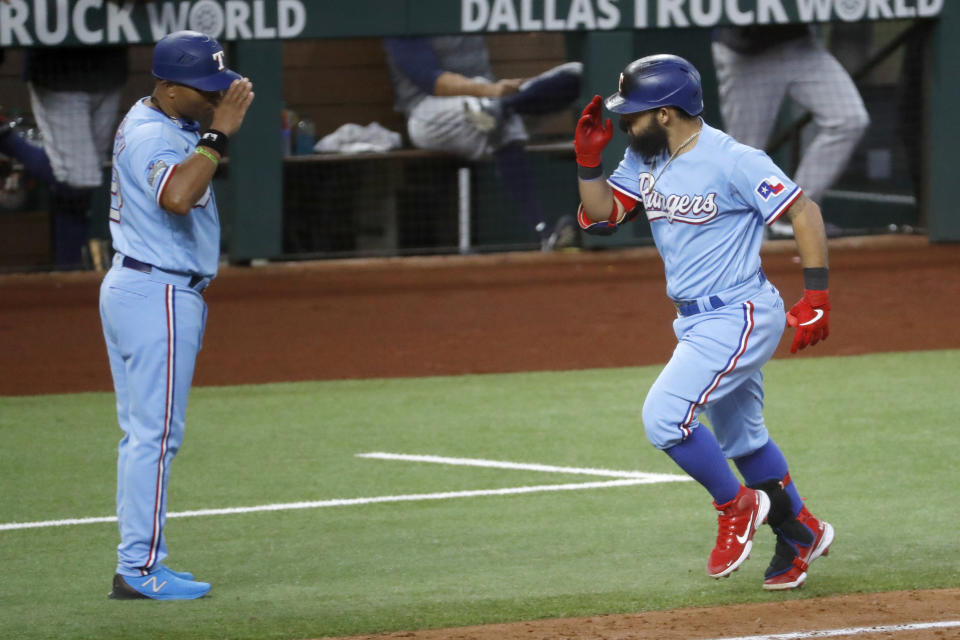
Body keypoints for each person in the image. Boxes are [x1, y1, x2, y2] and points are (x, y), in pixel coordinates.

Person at [574, 54, 833, 590]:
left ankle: (737, 508)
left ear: (666, 113)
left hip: (739, 313)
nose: (626, 123)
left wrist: (818, 295)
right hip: (694, 322)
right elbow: (601, 215)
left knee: (664, 418)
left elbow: (802, 210)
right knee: (743, 440)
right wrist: (587, 162)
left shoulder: (733, 159)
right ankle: (800, 531)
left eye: (635, 114)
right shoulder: (644, 159)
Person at [100, 30, 254, 600]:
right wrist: (218, 135)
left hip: (147, 288)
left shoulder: (166, 119)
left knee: (145, 436)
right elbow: (177, 196)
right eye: (202, 89)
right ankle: (139, 570)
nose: (214, 97)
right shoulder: (149, 134)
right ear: (166, 88)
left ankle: (141, 562)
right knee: (155, 437)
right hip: (156, 293)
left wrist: (214, 119)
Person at [383, 35, 582, 251]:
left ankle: (505, 108)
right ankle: (544, 233)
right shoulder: (405, 12)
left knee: (577, 73)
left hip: (489, 102)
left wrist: (498, 95)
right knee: (501, 122)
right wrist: (491, 92)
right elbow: (433, 82)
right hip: (430, 114)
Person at [711, 25, 870, 238]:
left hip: (799, 45)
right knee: (745, 156)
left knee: (849, 119)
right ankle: (735, 240)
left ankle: (791, 212)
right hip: (747, 52)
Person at [20, 44, 129, 266]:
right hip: (57, 71)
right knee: (79, 178)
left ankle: (66, 270)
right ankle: (8, 140)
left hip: (109, 67)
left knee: (81, 184)